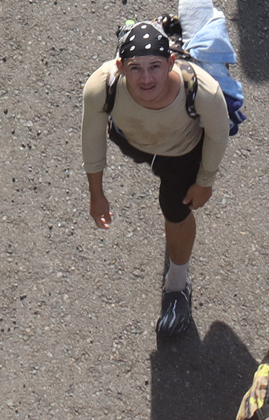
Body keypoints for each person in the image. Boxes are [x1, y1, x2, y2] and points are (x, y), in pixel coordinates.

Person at [81, 21, 232, 337]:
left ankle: (177, 287)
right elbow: (92, 136)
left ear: (172, 63)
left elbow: (218, 135)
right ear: (120, 66)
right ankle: (163, 34)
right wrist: (96, 192)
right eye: (135, 68)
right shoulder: (102, 86)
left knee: (175, 212)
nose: (146, 78)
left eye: (155, 66)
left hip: (182, 154)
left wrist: (205, 180)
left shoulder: (202, 91)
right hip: (133, 140)